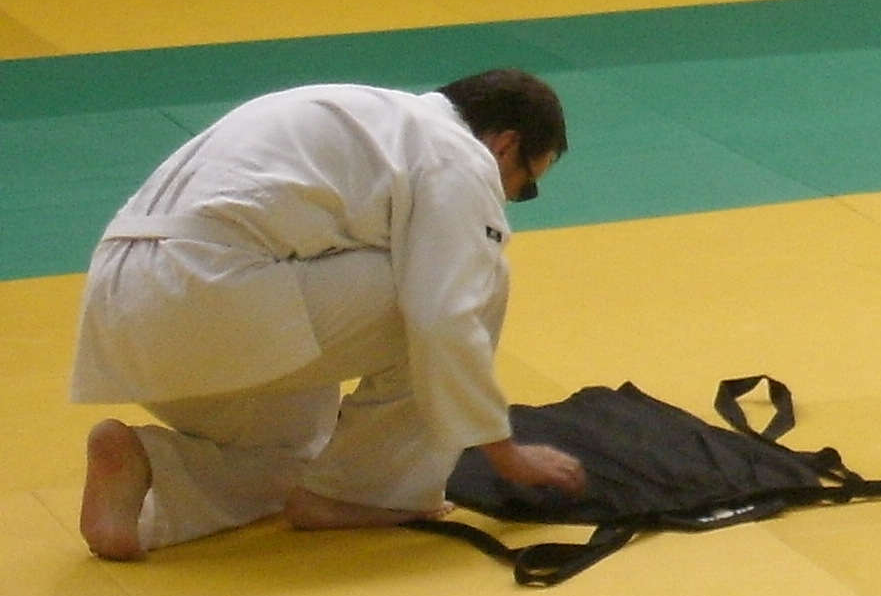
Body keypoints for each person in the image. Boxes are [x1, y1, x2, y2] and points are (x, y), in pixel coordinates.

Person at [71, 71, 583, 560]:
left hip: (121, 309)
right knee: (476, 277)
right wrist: (504, 451)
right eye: (525, 185)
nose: (511, 198)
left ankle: (145, 471)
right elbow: (444, 316)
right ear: (505, 145)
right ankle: (368, 493)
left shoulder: (366, 118)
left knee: (298, 454)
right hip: (209, 294)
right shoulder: (457, 155)